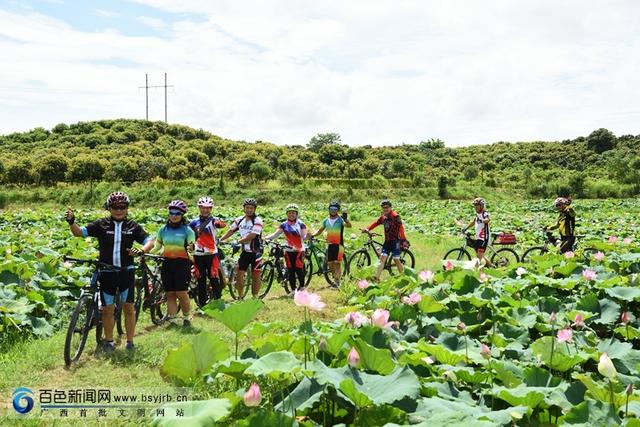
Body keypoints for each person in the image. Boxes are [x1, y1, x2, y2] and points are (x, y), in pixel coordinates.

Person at [65, 191, 154, 353]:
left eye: (122, 207)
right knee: (108, 309)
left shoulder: (133, 226)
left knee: (128, 307)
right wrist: (72, 222)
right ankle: (109, 342)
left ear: (127, 208)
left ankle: (130, 342)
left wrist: (141, 250)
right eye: (115, 207)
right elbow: (79, 233)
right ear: (109, 208)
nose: (119, 210)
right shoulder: (101, 224)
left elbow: (149, 241)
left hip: (126, 272)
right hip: (107, 272)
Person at [154, 200, 196, 327]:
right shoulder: (163, 229)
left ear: (182, 215)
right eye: (171, 213)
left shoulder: (187, 230)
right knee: (170, 293)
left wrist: (191, 247)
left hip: (182, 264)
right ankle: (172, 319)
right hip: (167, 263)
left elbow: (191, 244)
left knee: (181, 293)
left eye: (177, 213)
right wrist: (148, 252)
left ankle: (187, 317)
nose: (174, 215)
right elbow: (158, 244)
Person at [220, 198, 264, 298]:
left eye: (251, 208)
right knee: (239, 273)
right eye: (247, 208)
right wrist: (221, 239)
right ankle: (240, 297)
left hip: (256, 252)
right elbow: (231, 231)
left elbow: (251, 236)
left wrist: (237, 241)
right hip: (245, 252)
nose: (249, 210)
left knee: (256, 275)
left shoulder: (258, 221)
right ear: (244, 208)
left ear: (255, 209)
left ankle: (255, 297)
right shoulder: (239, 220)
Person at [189, 196, 226, 305]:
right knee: (201, 279)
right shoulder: (194, 222)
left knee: (214, 278)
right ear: (199, 208)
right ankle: (202, 305)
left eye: (208, 208)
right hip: (198, 254)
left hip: (211, 254)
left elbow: (221, 224)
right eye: (203, 208)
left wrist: (220, 223)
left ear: (211, 209)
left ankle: (219, 302)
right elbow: (188, 234)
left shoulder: (213, 221)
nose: (205, 210)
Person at [308, 200, 351, 288]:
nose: (333, 210)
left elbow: (349, 225)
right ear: (329, 209)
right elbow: (320, 230)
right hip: (330, 245)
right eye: (331, 209)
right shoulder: (326, 220)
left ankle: (337, 282)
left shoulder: (340, 220)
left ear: (338, 210)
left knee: (337, 263)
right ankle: (336, 278)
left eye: (335, 209)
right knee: (330, 264)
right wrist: (313, 235)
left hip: (339, 245)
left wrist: (346, 219)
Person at [265, 204, 307, 292]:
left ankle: (302, 288)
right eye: (289, 213)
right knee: (291, 270)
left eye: (293, 213)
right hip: (288, 250)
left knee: (298, 269)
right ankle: (293, 290)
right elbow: (275, 234)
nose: (291, 215)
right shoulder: (284, 225)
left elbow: (304, 236)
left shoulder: (301, 224)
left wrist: (308, 236)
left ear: (297, 214)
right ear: (287, 214)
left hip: (299, 250)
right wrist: (265, 238)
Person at [362, 199, 407, 282]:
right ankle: (376, 278)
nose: (385, 209)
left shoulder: (395, 216)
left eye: (387, 207)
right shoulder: (383, 217)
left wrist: (403, 240)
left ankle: (404, 277)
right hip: (387, 241)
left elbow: (401, 228)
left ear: (390, 207)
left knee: (396, 259)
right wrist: (367, 228)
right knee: (382, 258)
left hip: (396, 241)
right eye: (383, 208)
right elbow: (376, 223)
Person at [463, 197, 492, 266]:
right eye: (474, 206)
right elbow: (473, 222)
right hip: (479, 238)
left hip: (484, 239)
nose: (475, 207)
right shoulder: (478, 214)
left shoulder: (485, 213)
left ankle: (476, 272)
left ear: (481, 206)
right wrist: (466, 228)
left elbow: (488, 219)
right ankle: (492, 267)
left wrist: (481, 221)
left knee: (478, 259)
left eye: (477, 205)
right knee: (481, 255)